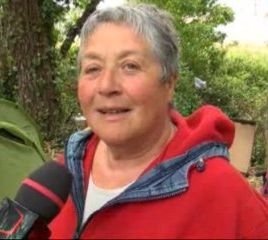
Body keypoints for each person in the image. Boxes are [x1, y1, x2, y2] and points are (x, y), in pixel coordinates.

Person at [48, 3, 268, 239]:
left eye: (129, 66)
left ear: (169, 83)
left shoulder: (223, 194)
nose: (106, 85)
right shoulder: (65, 171)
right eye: (92, 68)